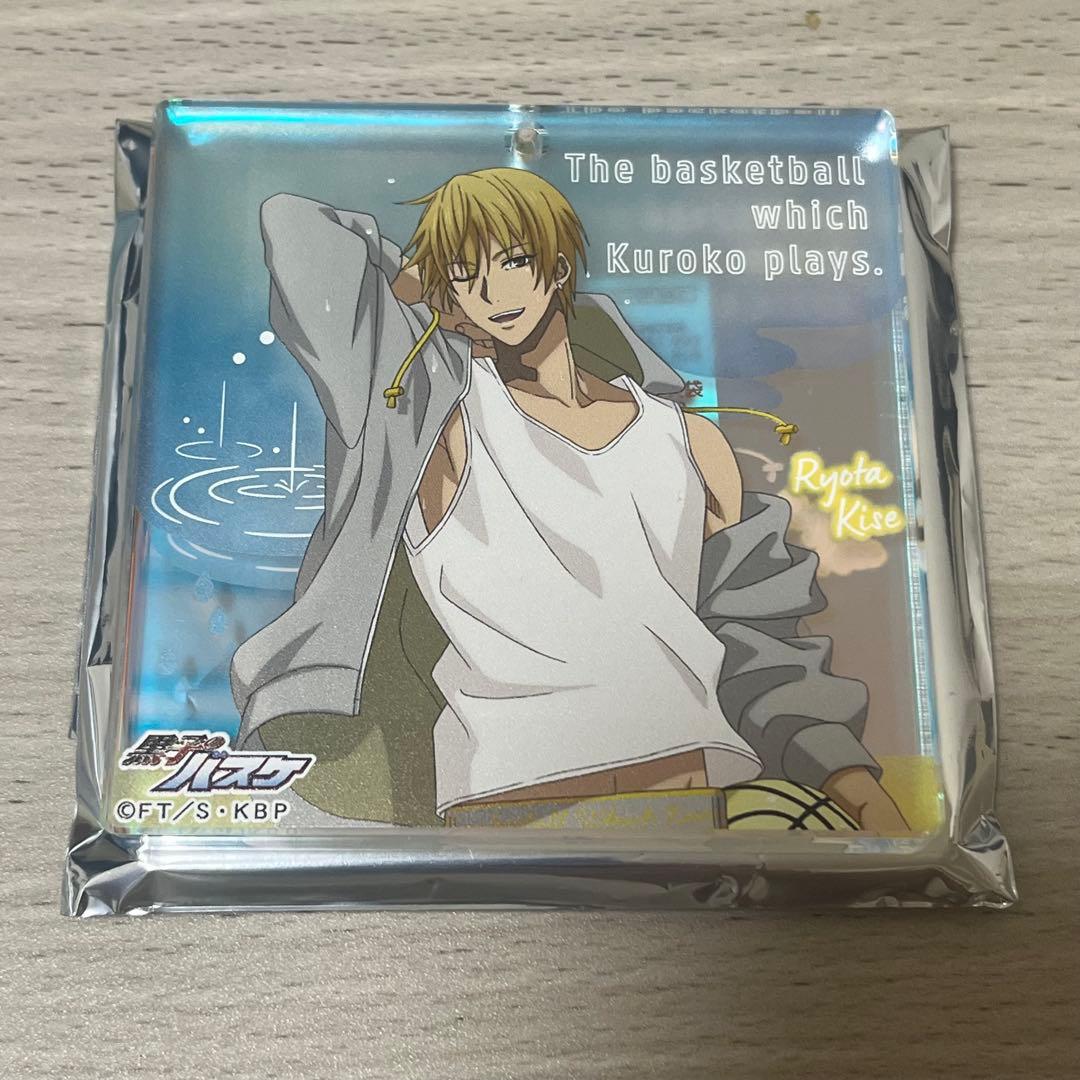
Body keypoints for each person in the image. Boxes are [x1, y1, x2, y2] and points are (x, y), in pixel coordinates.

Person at [230, 167, 908, 833]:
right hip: (507, 792)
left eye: (513, 261)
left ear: (556, 268)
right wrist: (414, 279)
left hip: (681, 780)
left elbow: (760, 642)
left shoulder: (690, 441)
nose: (492, 291)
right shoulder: (433, 425)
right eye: (465, 273)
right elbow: (296, 226)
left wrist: (853, 786)